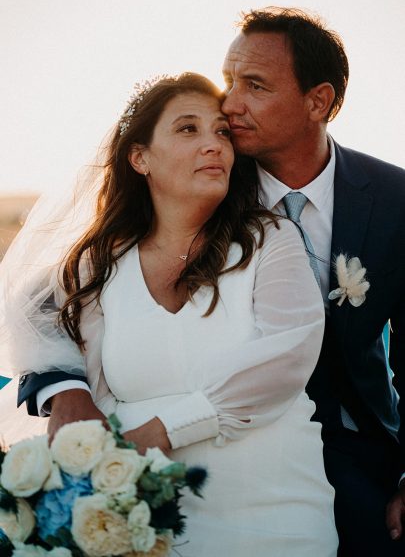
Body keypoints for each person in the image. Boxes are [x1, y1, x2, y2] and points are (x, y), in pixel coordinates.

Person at [0, 73, 338, 555]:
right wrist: (66, 390)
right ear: (140, 158)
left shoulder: (269, 240)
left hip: (277, 512)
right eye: (188, 129)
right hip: (144, 520)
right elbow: (27, 308)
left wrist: (159, 433)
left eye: (222, 132)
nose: (213, 145)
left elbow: (286, 357)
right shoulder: (98, 264)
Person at [220, 7, 405, 556]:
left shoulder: (394, 199)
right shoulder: (206, 191)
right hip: (236, 444)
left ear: (318, 101)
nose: (229, 103)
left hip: (362, 444)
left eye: (254, 85)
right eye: (228, 81)